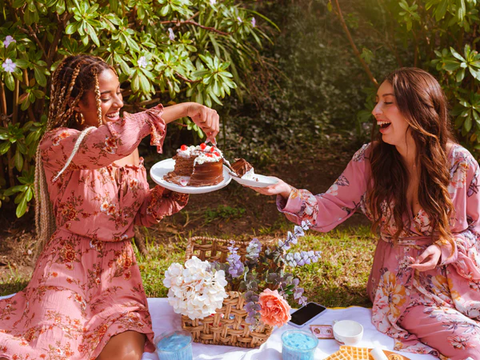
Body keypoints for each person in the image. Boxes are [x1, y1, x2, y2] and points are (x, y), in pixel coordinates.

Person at [248, 68, 480, 359]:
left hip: (460, 275)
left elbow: (476, 230)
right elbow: (328, 209)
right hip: (403, 284)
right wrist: (285, 191)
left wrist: (443, 248)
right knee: (473, 345)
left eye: (387, 102)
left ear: (417, 109)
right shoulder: (369, 159)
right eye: (377, 101)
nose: (375, 110)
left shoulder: (460, 163)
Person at [0, 54, 219, 360]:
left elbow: (140, 213)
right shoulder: (59, 144)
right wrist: (187, 108)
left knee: (126, 356)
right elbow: (107, 144)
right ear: (77, 103)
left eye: (119, 92)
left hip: (118, 272)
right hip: (67, 266)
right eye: (105, 97)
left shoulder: (127, 150)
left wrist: (176, 188)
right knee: (50, 352)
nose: (118, 103)